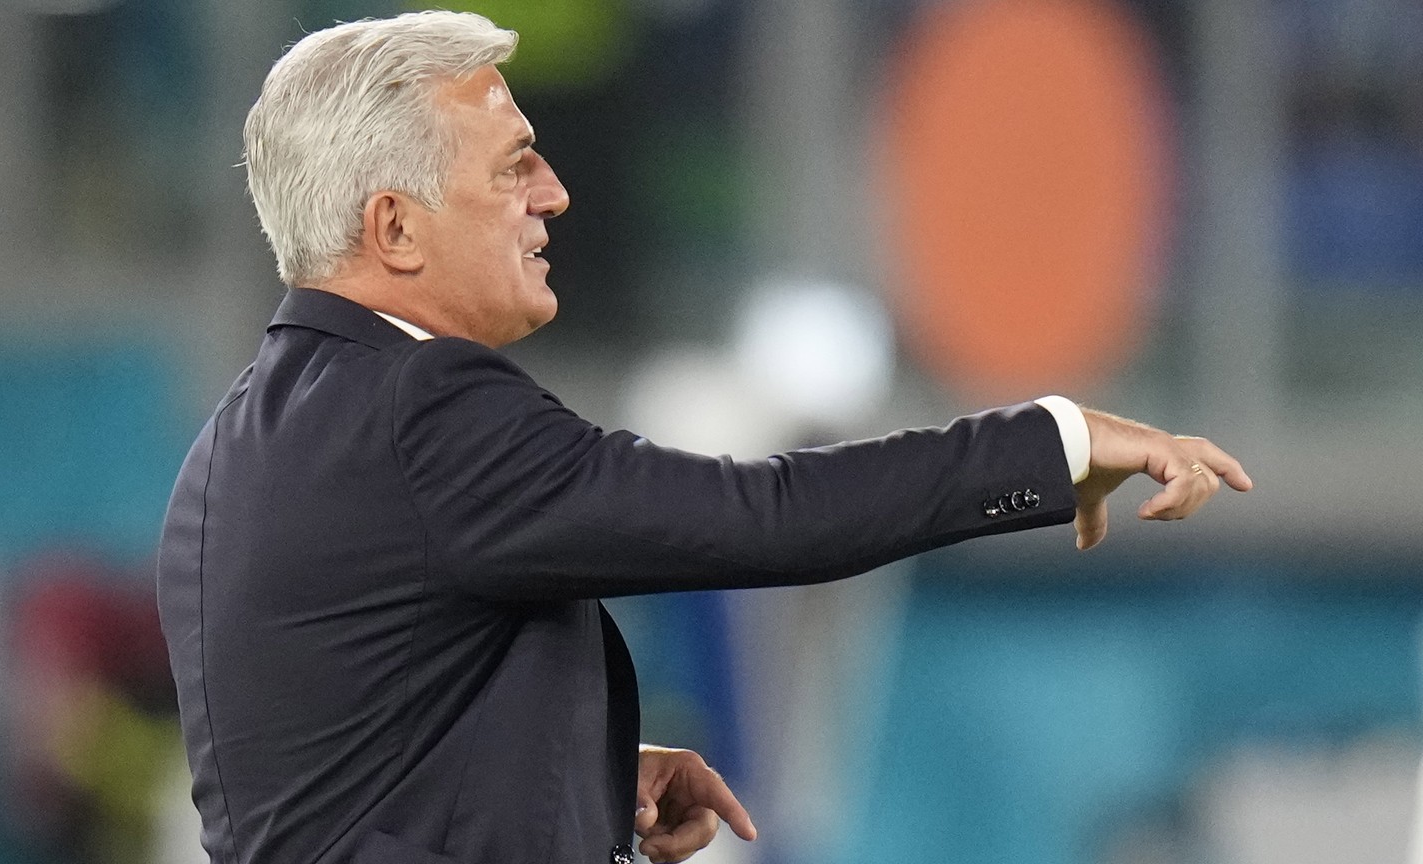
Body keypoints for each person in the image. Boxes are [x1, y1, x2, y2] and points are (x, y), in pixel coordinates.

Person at [155, 11, 1252, 864]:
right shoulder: (424, 408)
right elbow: (760, 517)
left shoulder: (236, 443)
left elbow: (343, 760)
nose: (555, 192)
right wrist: (1050, 444)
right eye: (512, 164)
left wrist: (577, 773)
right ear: (394, 227)